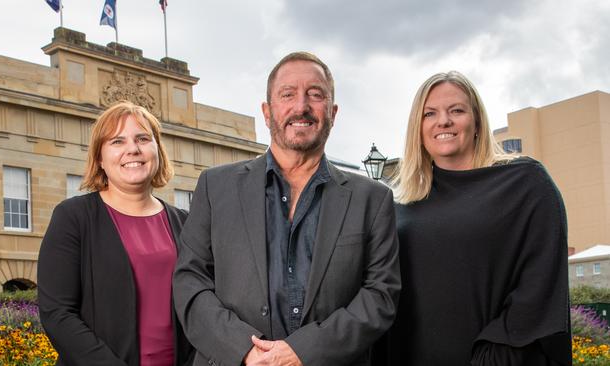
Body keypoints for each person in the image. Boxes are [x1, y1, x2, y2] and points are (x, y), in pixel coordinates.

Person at [173, 52, 400, 366]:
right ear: (267, 112)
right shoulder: (215, 187)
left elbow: (380, 295)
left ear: (333, 112)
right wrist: (244, 350)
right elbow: (190, 281)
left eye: (315, 95)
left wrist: (304, 351)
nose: (301, 106)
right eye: (287, 94)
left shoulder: (372, 199)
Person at [385, 71, 571, 365]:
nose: (443, 121)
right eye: (429, 113)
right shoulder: (401, 203)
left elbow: (540, 288)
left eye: (456, 110)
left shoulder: (525, 183)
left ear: (477, 121)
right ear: (417, 129)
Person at [38, 101, 193, 366]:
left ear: (157, 149)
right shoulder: (73, 217)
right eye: (117, 142)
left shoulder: (185, 223)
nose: (133, 149)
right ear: (99, 158)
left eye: (143, 138)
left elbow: (199, 306)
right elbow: (58, 314)